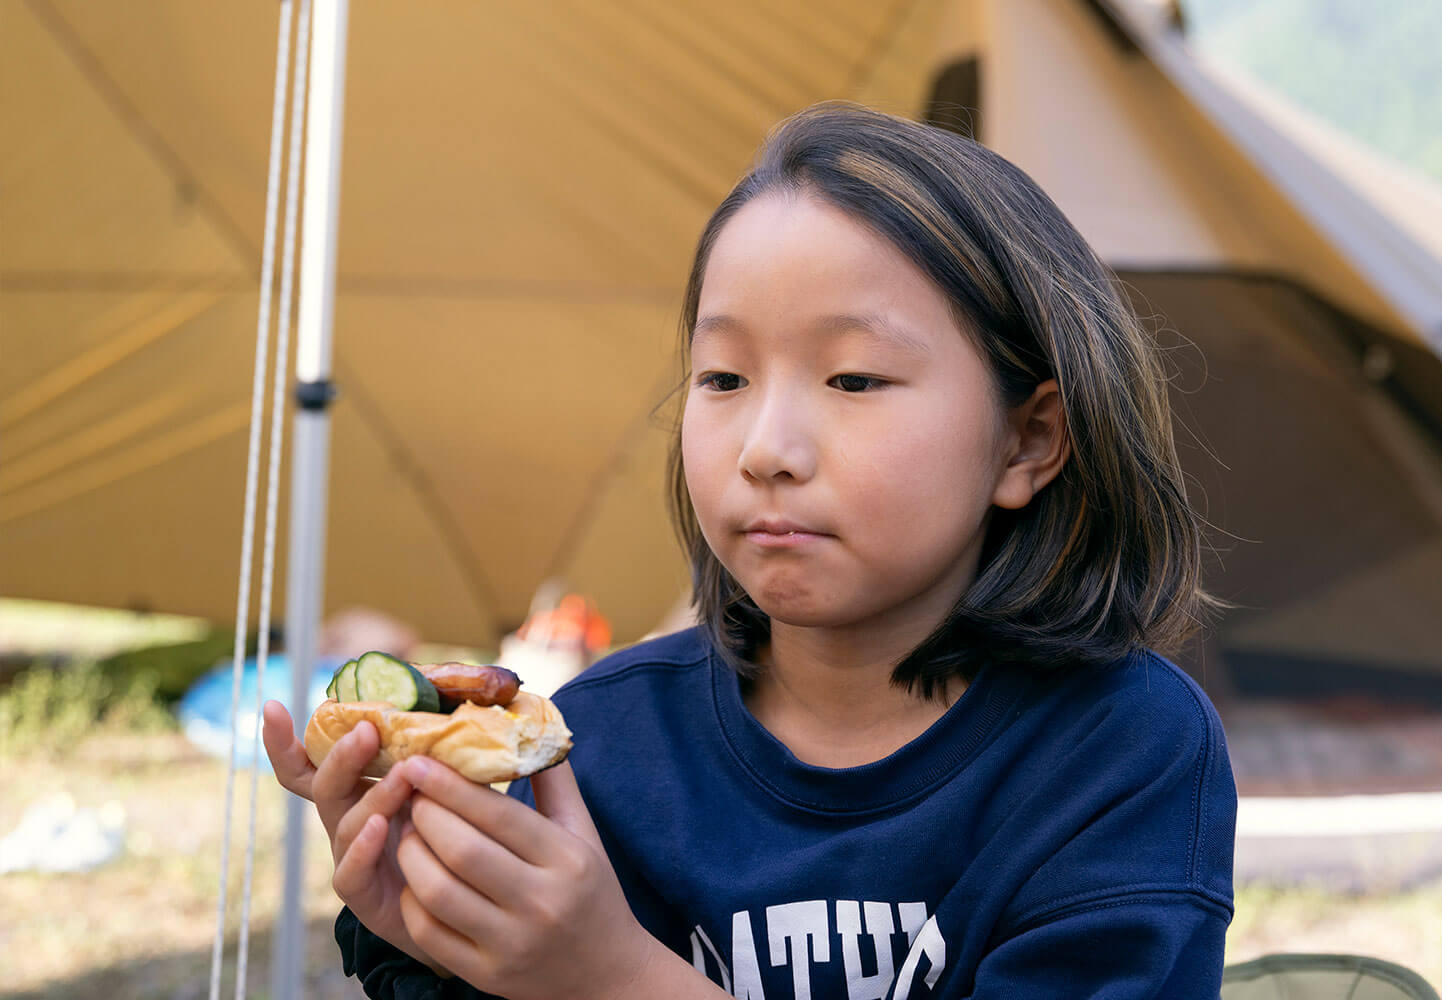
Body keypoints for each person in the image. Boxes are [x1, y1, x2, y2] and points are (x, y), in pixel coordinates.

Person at [264, 103, 1236, 1000]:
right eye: (724, 377)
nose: (766, 449)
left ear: (1027, 441)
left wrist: (613, 976)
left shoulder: (1120, 750)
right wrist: (439, 925)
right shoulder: (596, 742)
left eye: (853, 379)